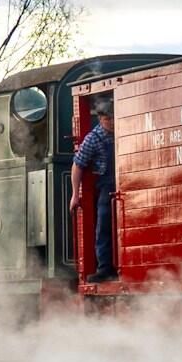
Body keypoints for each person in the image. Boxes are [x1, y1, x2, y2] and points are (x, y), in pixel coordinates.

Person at [71, 95, 117, 282]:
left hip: (126, 179)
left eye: (113, 118)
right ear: (100, 119)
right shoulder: (93, 138)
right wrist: (75, 194)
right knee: (104, 223)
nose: (112, 122)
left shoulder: (123, 129)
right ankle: (105, 267)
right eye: (108, 119)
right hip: (106, 184)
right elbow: (78, 165)